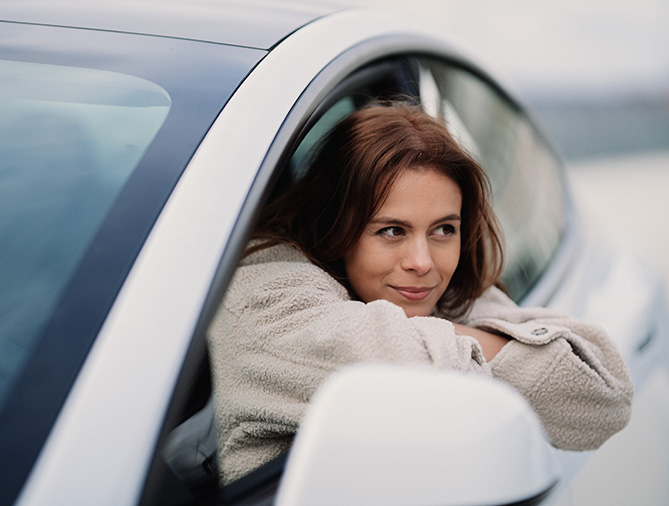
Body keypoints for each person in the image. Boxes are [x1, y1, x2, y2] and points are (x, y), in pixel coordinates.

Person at [207, 101, 633, 485]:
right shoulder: (265, 290)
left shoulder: (438, 289)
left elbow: (604, 395)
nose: (422, 261)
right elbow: (395, 359)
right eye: (392, 230)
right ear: (332, 224)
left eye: (443, 229)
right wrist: (473, 341)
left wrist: (442, 333)